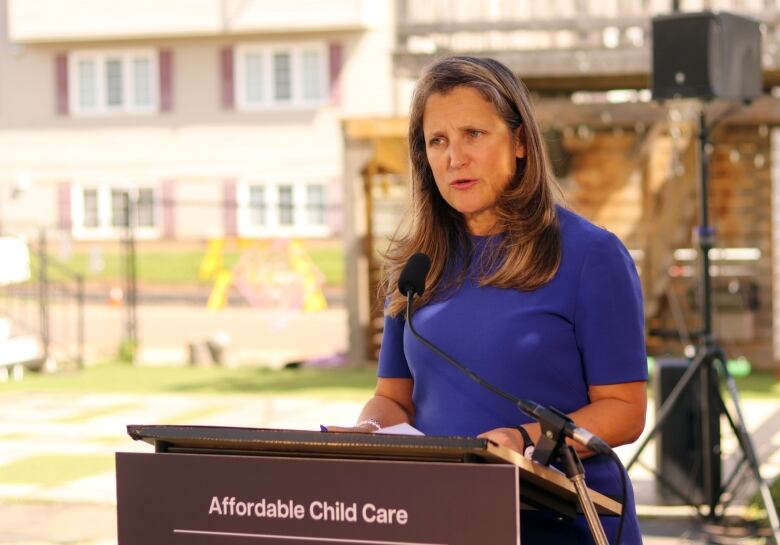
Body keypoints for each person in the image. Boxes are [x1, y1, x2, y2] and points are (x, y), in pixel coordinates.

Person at [329, 56, 648, 544]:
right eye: (438, 141)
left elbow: (625, 409)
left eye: (473, 134)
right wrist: (371, 429)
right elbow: (394, 397)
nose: (454, 157)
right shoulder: (414, 266)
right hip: (445, 517)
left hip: (563, 522)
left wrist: (524, 440)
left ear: (520, 142)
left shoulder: (592, 255)